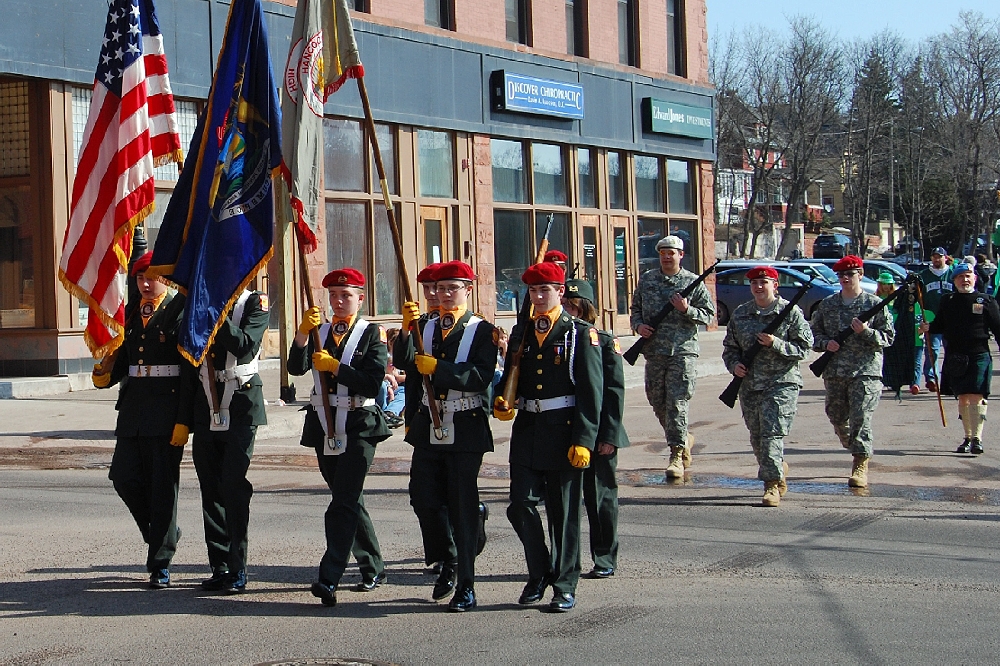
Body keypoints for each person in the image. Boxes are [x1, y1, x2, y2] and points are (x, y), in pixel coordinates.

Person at [494, 261, 603, 612]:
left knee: (564, 514)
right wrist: (503, 399)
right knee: (520, 504)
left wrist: (584, 440)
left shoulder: (579, 333)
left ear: (560, 292)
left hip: (563, 431)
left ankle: (564, 584)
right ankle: (539, 572)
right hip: (527, 429)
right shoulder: (522, 331)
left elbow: (591, 391)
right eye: (533, 291)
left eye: (546, 290)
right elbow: (511, 374)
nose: (539, 296)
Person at [394, 260, 498, 612]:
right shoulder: (425, 325)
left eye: (452, 288)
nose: (444, 294)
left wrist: (441, 369)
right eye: (439, 289)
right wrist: (407, 332)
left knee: (460, 505)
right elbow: (404, 362)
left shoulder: (480, 330)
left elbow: (482, 375)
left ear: (468, 290)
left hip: (465, 424)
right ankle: (448, 557)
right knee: (423, 498)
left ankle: (465, 583)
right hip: (428, 425)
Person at [290, 268, 392, 607]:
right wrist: (303, 336)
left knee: (343, 502)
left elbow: (372, 381)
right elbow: (295, 367)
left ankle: (329, 575)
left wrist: (335, 368)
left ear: (360, 299)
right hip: (324, 423)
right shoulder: (320, 331)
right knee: (348, 498)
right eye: (333, 294)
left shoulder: (371, 335)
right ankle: (373, 565)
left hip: (359, 423)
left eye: (346, 295)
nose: (339, 300)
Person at [92, 251, 186, 589]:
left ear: (166, 278)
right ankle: (164, 533)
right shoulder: (131, 313)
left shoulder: (179, 310)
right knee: (123, 477)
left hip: (166, 412)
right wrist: (103, 364)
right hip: (133, 412)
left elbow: (188, 370)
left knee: (162, 488)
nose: (146, 284)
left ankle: (160, 562)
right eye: (140, 277)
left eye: (153, 277)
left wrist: (185, 418)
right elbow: (121, 368)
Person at [179, 282, 269, 594]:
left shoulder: (254, 303)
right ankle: (218, 566)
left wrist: (214, 314)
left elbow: (245, 345)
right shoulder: (197, 301)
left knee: (232, 485)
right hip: (207, 401)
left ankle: (237, 566)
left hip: (241, 402)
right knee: (210, 488)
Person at [722, 266, 813, 507]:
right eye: (754, 283)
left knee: (772, 433)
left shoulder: (790, 313)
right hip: (750, 384)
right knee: (757, 436)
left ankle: (771, 484)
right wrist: (735, 366)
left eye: (764, 282)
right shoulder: (741, 314)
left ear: (775, 285)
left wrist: (776, 344)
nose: (758, 287)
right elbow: (730, 349)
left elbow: (804, 348)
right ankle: (776, 467)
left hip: (781, 382)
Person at [629, 234, 716, 479]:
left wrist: (686, 309)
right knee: (658, 401)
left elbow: (708, 315)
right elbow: (635, 309)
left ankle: (676, 453)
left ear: (681, 255)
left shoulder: (692, 282)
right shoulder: (648, 280)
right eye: (663, 253)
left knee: (677, 404)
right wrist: (639, 327)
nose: (667, 257)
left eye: (672, 253)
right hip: (654, 351)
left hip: (682, 351)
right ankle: (682, 436)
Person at [810, 255, 895, 488]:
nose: (846, 278)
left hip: (865, 371)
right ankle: (855, 445)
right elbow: (812, 335)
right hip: (835, 371)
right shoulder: (828, 304)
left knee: (861, 417)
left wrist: (866, 332)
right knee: (836, 416)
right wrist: (826, 344)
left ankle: (860, 462)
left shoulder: (873, 304)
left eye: (851, 274)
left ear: (861, 274)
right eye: (841, 275)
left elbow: (887, 337)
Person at [563, 278, 628, 577]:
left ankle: (604, 557)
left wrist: (609, 435)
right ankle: (566, 560)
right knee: (565, 503)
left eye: (574, 307)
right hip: (566, 430)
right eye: (565, 305)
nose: (569, 311)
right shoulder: (558, 338)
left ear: (587, 309)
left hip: (600, 431)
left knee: (600, 498)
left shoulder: (602, 340)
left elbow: (613, 392)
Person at [926, 263, 1000, 455]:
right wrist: (928, 327)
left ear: (974, 279)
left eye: (968, 276)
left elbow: (998, 329)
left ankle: (977, 438)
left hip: (978, 353)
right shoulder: (948, 301)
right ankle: (967, 437)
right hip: (955, 355)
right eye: (960, 277)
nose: (964, 280)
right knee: (963, 397)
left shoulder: (986, 301)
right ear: (954, 280)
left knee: (976, 395)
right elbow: (939, 325)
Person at [876, 273, 922, 398]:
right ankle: (885, 380)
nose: (885, 286)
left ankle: (914, 383)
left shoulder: (898, 296)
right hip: (883, 330)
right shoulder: (876, 298)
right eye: (883, 283)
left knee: (912, 357)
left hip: (900, 330)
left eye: (888, 284)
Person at [918, 248, 953, 392]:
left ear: (945, 257)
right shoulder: (924, 276)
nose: (937, 259)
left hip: (950, 319)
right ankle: (932, 378)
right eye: (934, 257)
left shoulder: (952, 274)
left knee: (951, 350)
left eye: (939, 257)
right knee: (932, 351)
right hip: (931, 318)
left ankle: (949, 378)